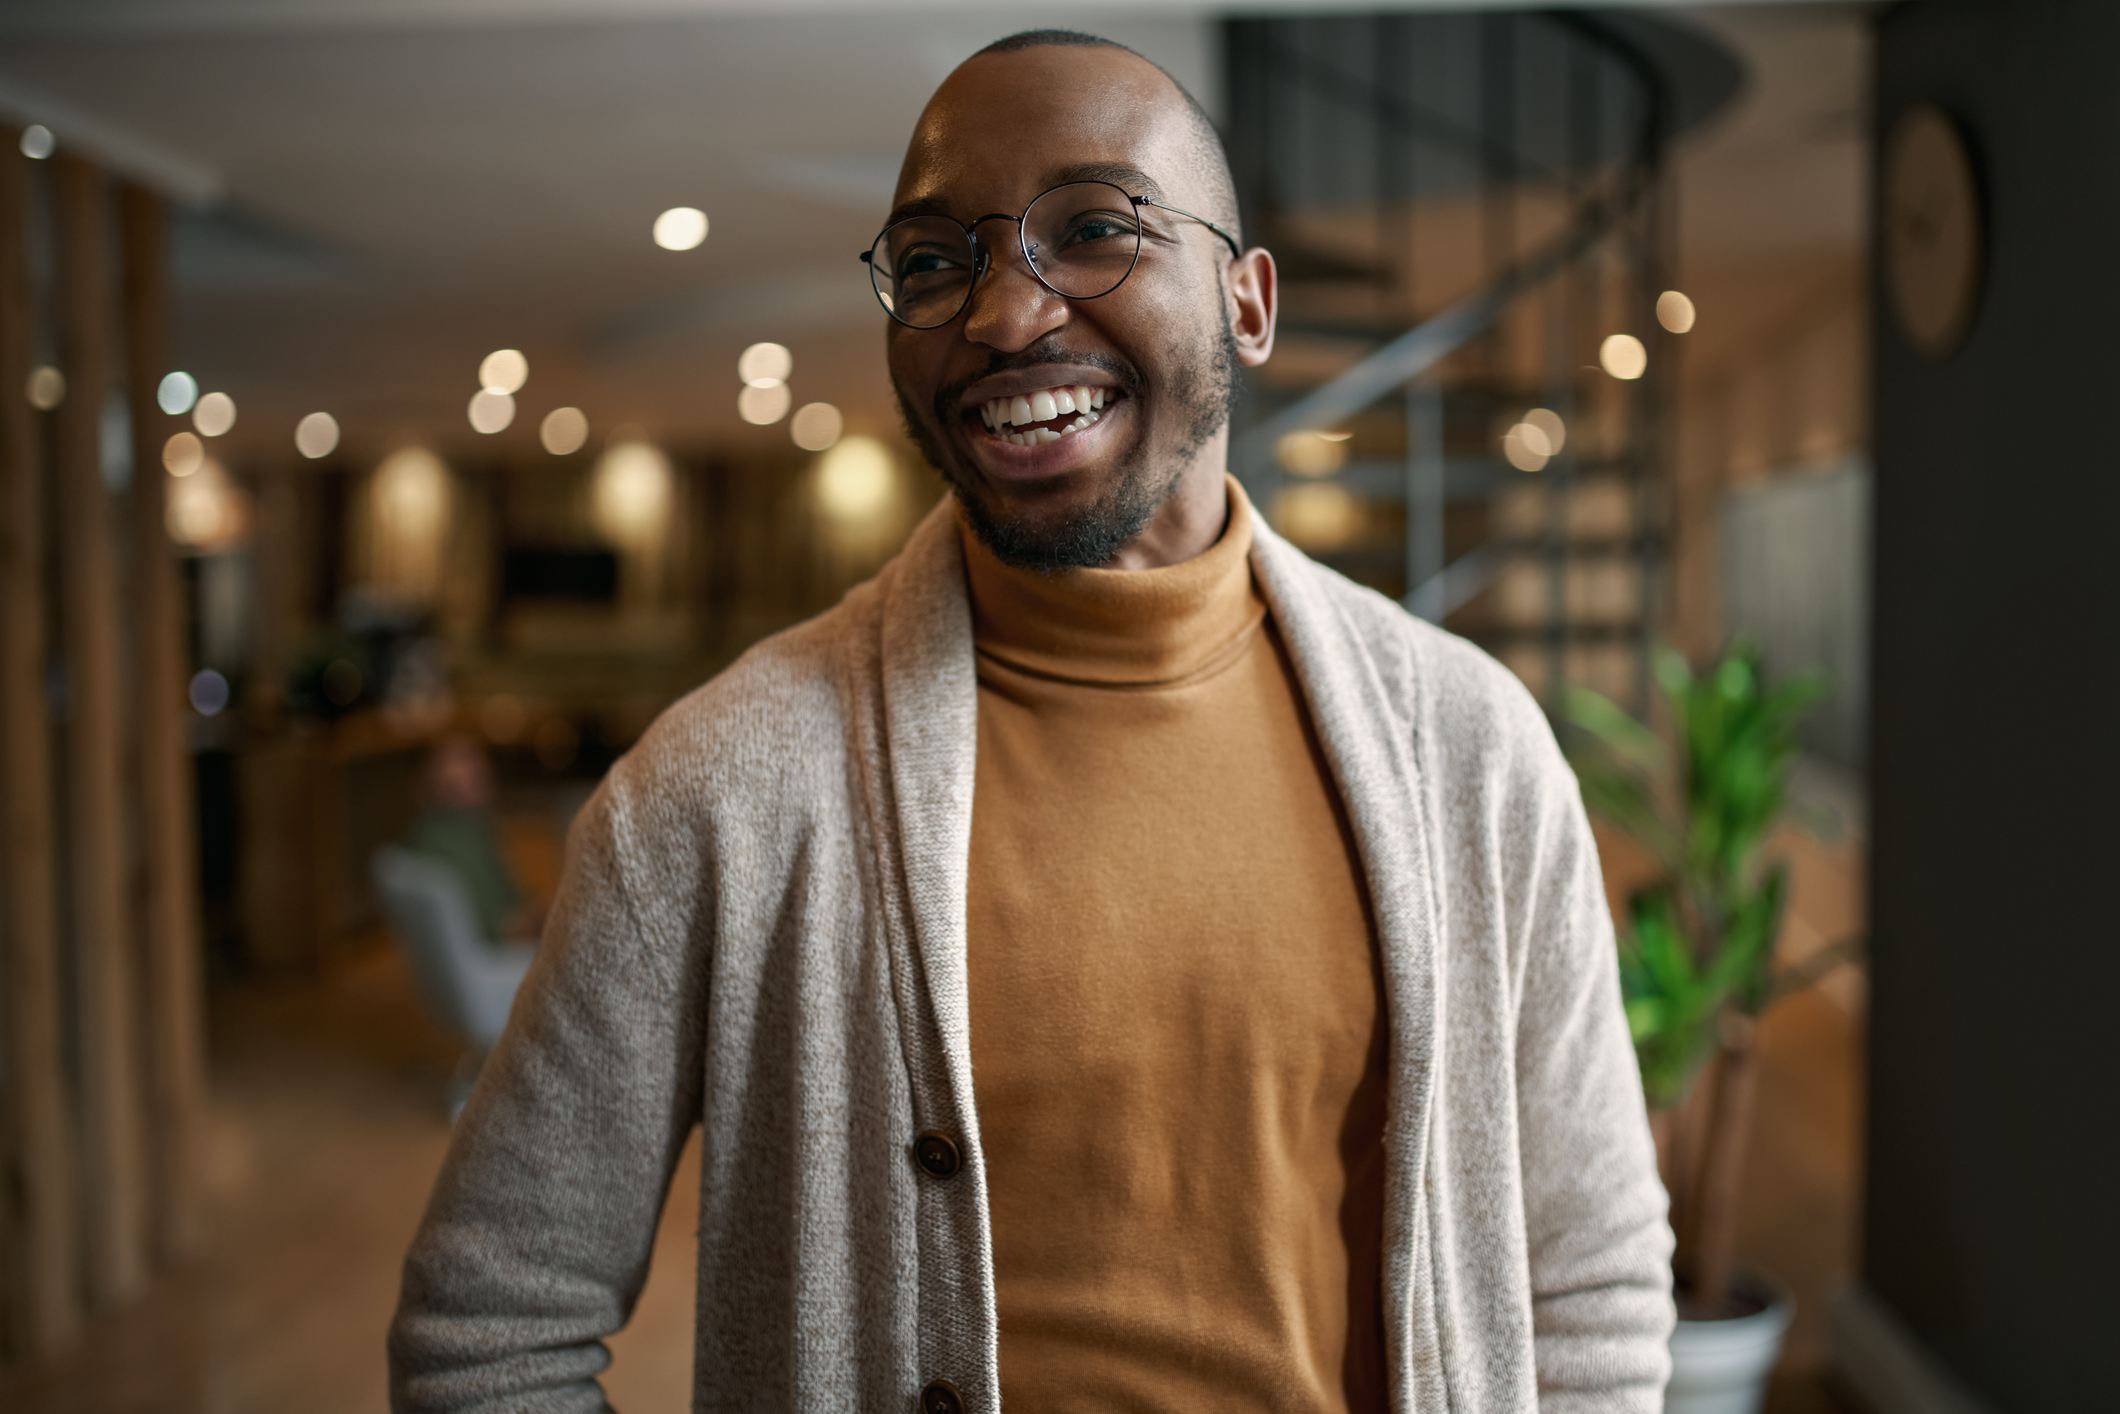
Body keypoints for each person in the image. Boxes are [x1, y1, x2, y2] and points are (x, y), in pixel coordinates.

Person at [390, 30, 1673, 1414]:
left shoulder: (1470, 750)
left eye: (1098, 228)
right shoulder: (716, 788)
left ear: (1248, 303)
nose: (1004, 315)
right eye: (937, 260)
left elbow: (1590, 1279)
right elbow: (490, 1332)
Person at [402, 734, 541, 944]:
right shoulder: (448, 843)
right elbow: (500, 930)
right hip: (500, 958)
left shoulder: (463, 828)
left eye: (476, 756)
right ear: (429, 774)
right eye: (459, 759)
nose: (478, 768)